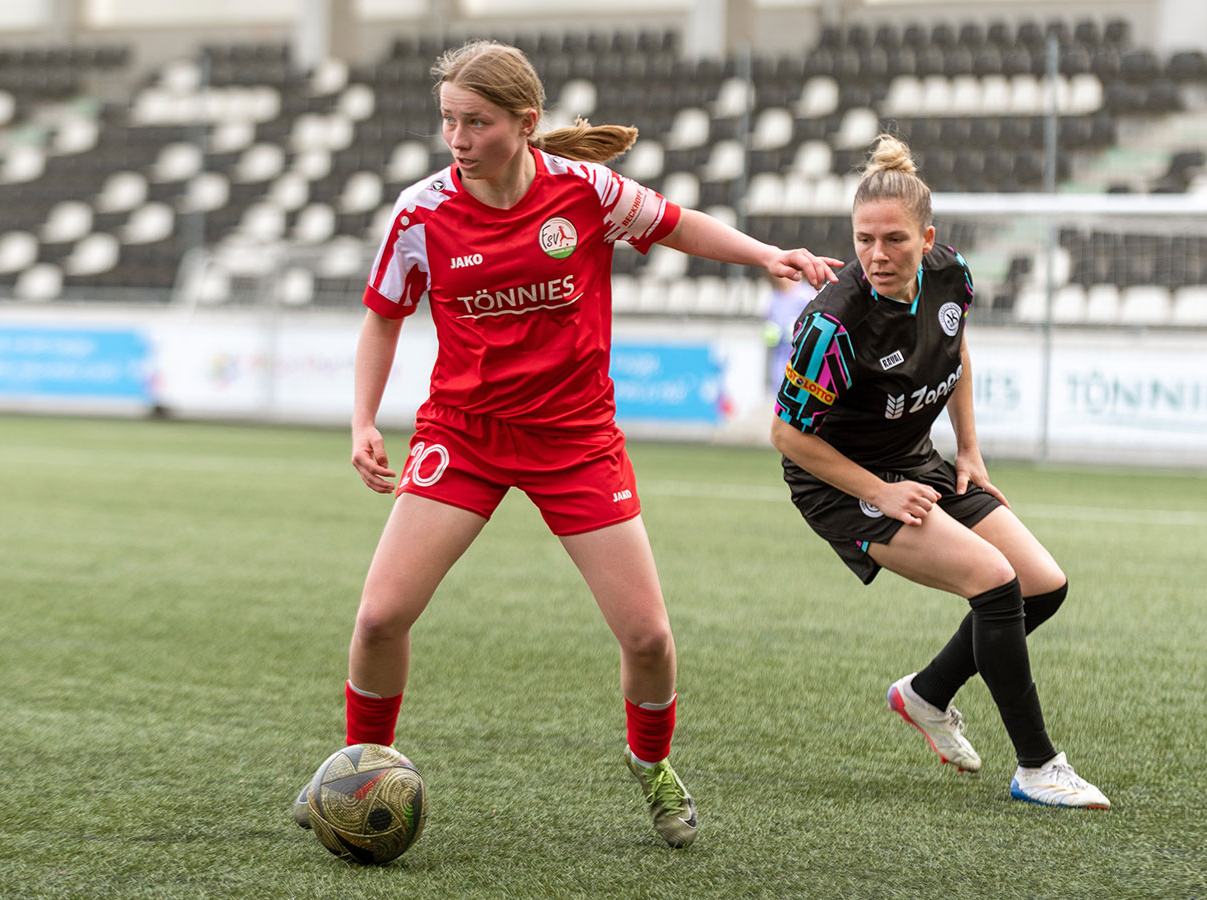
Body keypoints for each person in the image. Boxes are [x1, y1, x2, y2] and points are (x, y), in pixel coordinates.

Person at [292, 39, 843, 848]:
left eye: (475, 122)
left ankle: (651, 765)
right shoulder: (421, 212)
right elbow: (383, 314)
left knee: (649, 638)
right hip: (464, 437)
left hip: (575, 440)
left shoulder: (584, 191)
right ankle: (354, 771)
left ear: (525, 123)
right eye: (449, 121)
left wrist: (768, 255)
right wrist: (363, 420)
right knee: (379, 618)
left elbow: (677, 223)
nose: (458, 139)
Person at [768, 134, 1110, 809]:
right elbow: (786, 435)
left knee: (1043, 586)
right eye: (864, 239)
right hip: (843, 483)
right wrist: (878, 493)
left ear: (927, 239)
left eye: (893, 239)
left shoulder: (952, 274)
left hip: (918, 462)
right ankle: (1039, 768)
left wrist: (971, 451)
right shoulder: (834, 324)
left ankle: (925, 694)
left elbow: (956, 353)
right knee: (994, 580)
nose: (876, 255)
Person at [763, 271, 814, 397]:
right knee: (780, 384)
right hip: (781, 352)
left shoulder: (806, 294)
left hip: (800, 352)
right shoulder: (775, 297)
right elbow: (769, 318)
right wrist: (771, 330)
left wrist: (798, 330)